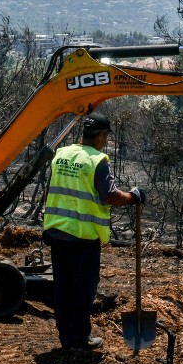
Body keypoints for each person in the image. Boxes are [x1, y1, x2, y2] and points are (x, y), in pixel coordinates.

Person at [43, 115, 144, 351]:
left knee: (63, 286)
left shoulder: (62, 154)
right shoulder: (97, 160)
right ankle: (78, 338)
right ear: (100, 135)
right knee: (83, 288)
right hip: (83, 235)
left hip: (57, 231)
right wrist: (134, 197)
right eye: (106, 136)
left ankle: (66, 336)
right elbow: (109, 196)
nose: (106, 141)